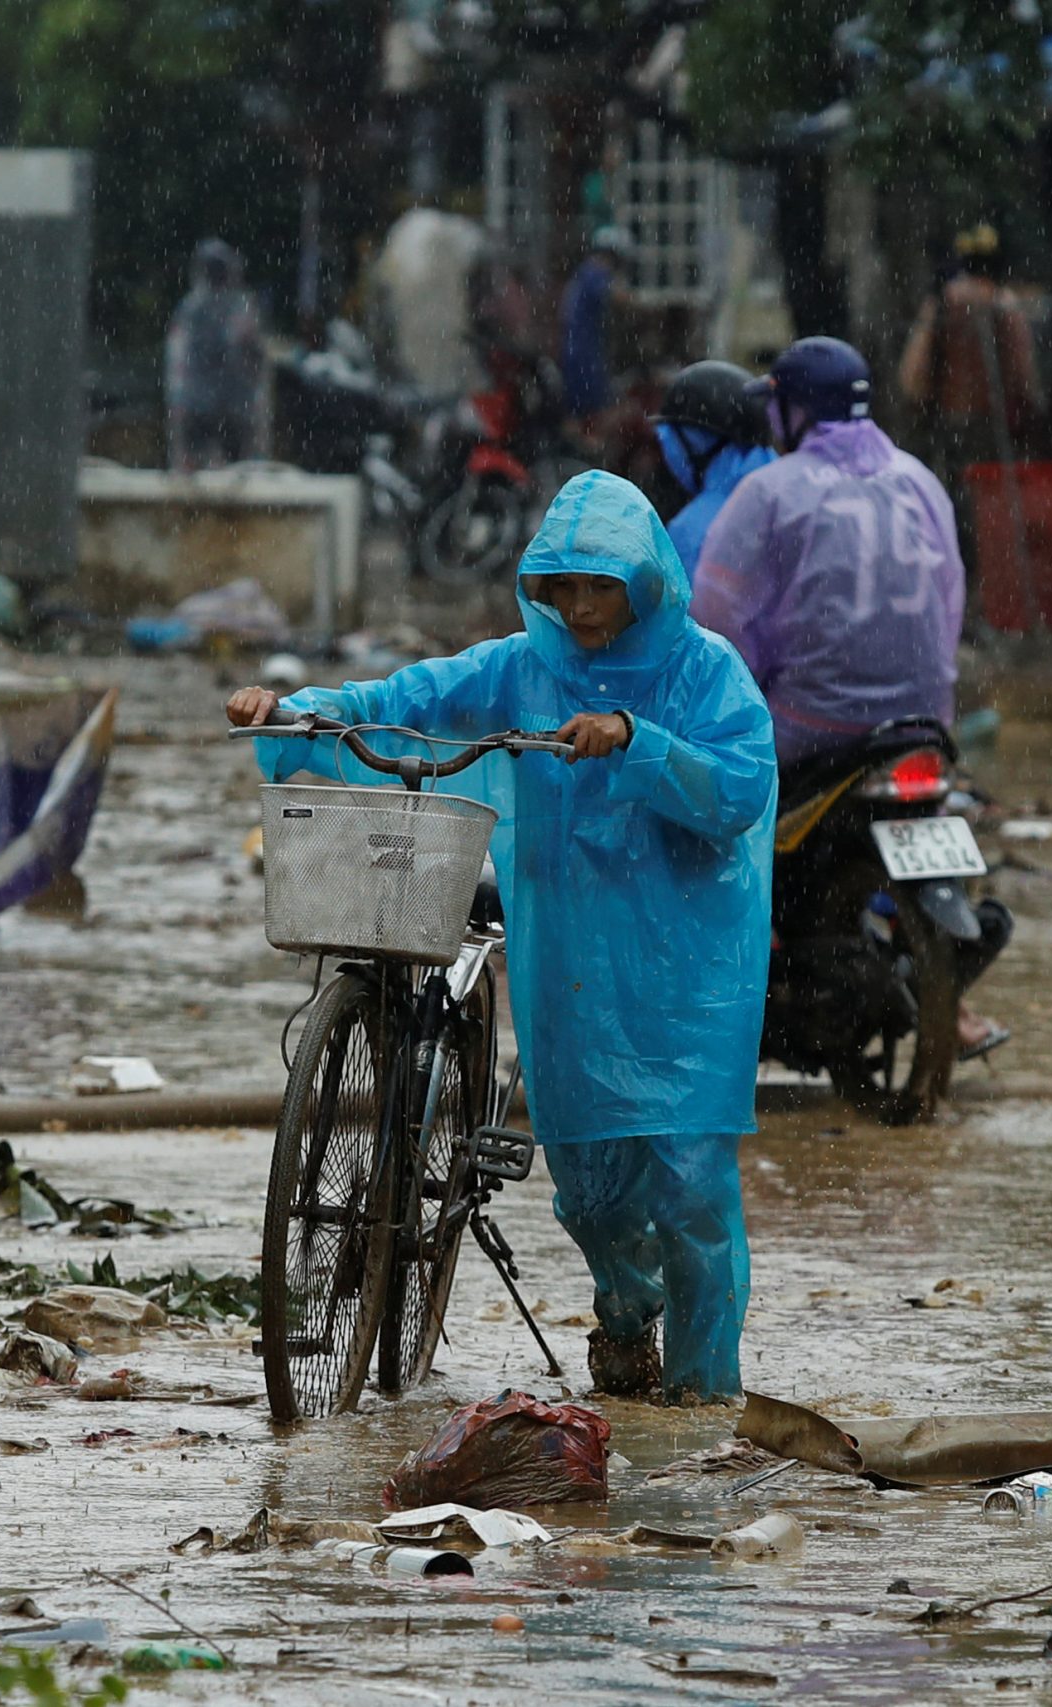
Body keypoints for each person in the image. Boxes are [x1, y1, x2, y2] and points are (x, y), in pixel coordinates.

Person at [227, 470, 774, 1404]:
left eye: (601, 585)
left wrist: (637, 739)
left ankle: (703, 1402)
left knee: (689, 1186)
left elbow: (738, 789)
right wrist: (296, 711)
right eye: (564, 586)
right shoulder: (522, 665)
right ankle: (626, 1315)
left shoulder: (706, 670)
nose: (581, 606)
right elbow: (412, 699)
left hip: (686, 976)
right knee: (591, 1189)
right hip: (567, 966)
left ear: (645, 582)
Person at [693, 337, 1005, 1057]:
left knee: (712, 814)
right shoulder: (920, 479)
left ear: (796, 409)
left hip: (811, 727)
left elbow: (718, 624)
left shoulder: (769, 491)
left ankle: (743, 966)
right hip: (923, 723)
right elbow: (950, 602)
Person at [896, 223, 1039, 486]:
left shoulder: (943, 302)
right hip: (994, 422)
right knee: (993, 491)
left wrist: (919, 400)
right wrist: (1028, 403)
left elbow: (914, 371)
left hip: (950, 418)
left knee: (953, 489)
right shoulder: (1003, 302)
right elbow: (1023, 368)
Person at [651, 360, 773, 578]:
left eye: (669, 440)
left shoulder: (693, 530)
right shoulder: (798, 492)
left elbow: (687, 610)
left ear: (695, 443)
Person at [165, 239, 267, 473]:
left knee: (192, 473)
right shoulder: (240, 307)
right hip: (232, 408)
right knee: (239, 474)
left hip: (199, 406)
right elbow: (254, 357)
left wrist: (179, 401)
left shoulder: (189, 308)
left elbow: (177, 363)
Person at [558, 227, 630, 423]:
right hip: (585, 350)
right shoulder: (595, 273)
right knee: (595, 411)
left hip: (576, 347)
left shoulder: (582, 273)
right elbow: (620, 298)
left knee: (582, 409)